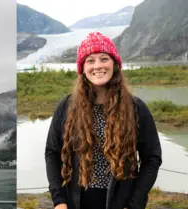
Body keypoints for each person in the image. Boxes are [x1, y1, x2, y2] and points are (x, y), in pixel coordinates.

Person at [44, 32, 162, 209]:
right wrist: (59, 201)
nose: (97, 66)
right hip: (76, 202)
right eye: (90, 61)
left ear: (114, 64)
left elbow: (152, 158)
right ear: (82, 68)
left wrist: (134, 203)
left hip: (120, 202)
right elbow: (52, 153)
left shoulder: (136, 108)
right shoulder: (67, 106)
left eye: (104, 58)